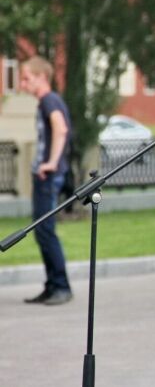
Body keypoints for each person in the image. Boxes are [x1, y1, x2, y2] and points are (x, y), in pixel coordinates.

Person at [20, 56, 73, 305]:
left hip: (48, 177)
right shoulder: (47, 101)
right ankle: (52, 285)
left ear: (42, 76)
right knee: (42, 231)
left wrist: (51, 163)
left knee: (45, 230)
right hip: (47, 176)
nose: (22, 84)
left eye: (26, 78)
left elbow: (60, 129)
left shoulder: (49, 100)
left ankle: (61, 286)